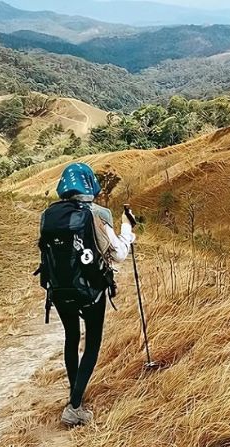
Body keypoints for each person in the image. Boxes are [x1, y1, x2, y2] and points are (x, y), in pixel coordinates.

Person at [46, 163, 136, 427]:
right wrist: (127, 229)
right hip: (90, 290)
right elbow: (118, 254)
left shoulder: (50, 215)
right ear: (90, 185)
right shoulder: (98, 213)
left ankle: (75, 397)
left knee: (71, 338)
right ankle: (74, 406)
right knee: (92, 344)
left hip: (59, 290)